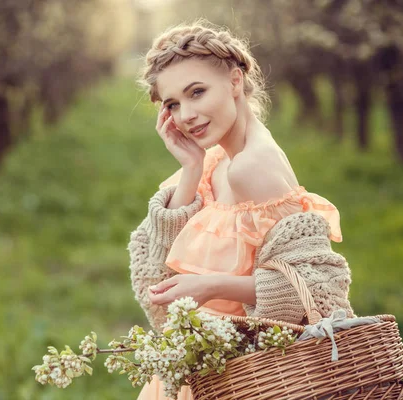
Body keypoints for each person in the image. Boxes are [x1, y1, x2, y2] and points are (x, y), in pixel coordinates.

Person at [127, 20, 355, 400]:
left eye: (197, 92)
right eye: (173, 104)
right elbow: (158, 264)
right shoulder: (215, 160)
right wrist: (190, 170)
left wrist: (212, 287)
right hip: (207, 370)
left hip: (249, 381)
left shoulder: (253, 167)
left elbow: (314, 287)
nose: (185, 115)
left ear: (235, 82)